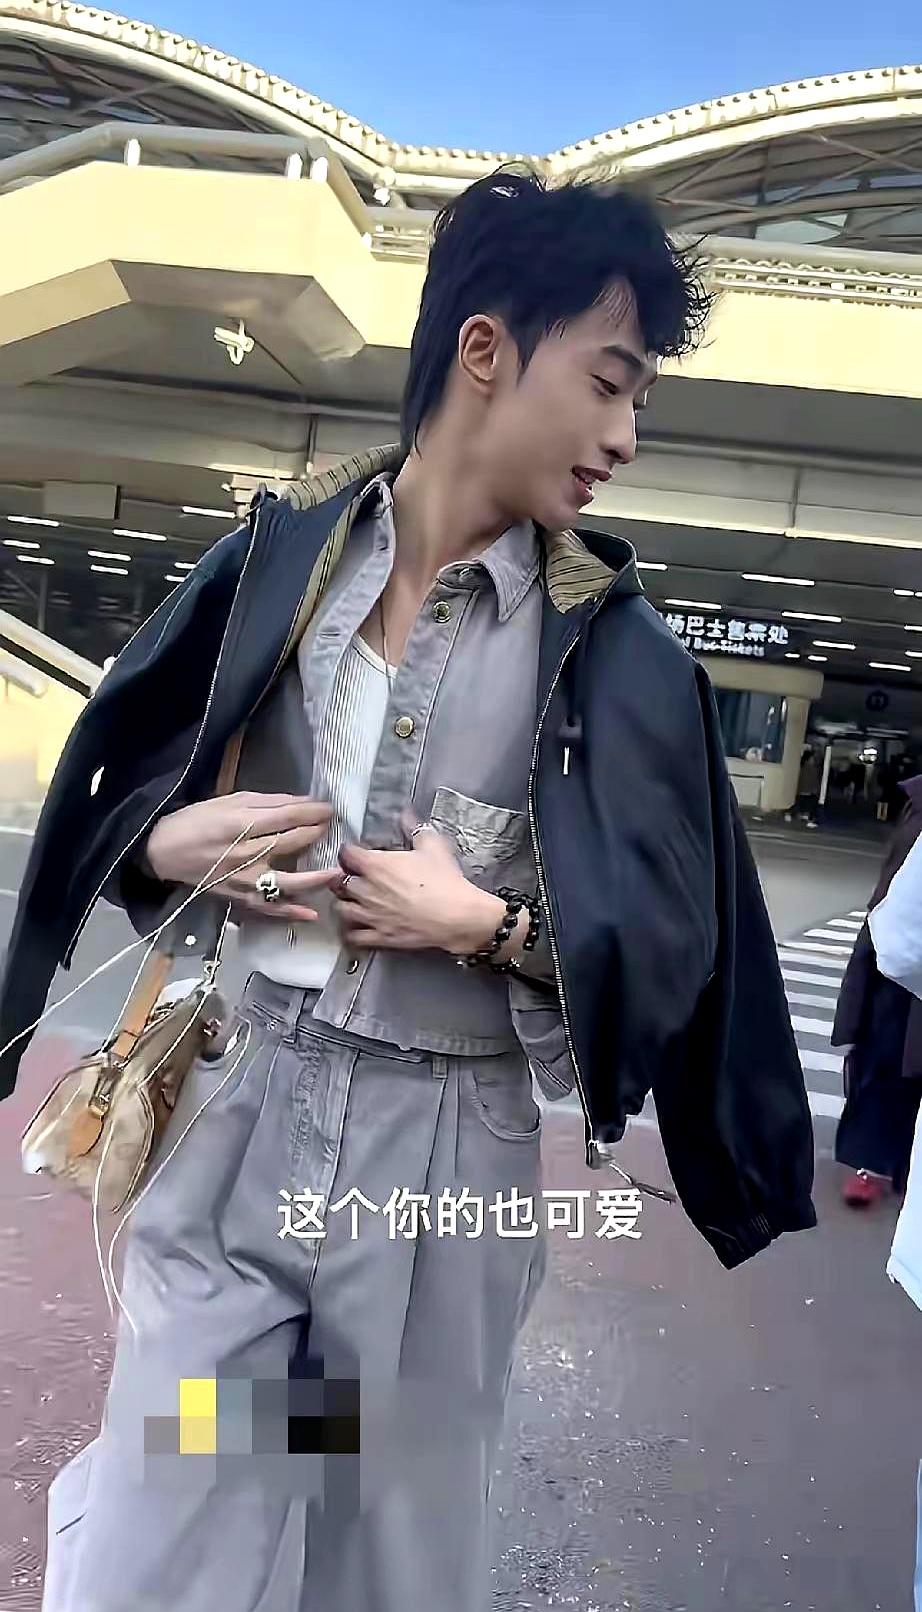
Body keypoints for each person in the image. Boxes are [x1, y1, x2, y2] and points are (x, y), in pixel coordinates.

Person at [0, 170, 816, 1612]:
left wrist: (488, 927)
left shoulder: (616, 661)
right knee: (166, 1529)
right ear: (485, 350)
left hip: (444, 1188)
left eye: (639, 401)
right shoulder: (280, 566)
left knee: (382, 1562)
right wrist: (169, 845)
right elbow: (126, 772)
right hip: (243, 1132)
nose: (625, 437)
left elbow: (670, 957)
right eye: (607, 382)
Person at [832, 775, 922, 1208]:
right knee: (884, 1054)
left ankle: (906, 1167)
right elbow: (892, 884)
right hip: (898, 957)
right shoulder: (918, 805)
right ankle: (869, 1162)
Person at [786, 744, 821, 827]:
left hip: (803, 790)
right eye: (812, 759)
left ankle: (792, 814)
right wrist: (816, 789)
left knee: (801, 804)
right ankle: (808, 818)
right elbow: (813, 781)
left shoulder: (802, 768)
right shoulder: (811, 769)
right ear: (808, 759)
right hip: (808, 791)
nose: (813, 760)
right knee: (809, 804)